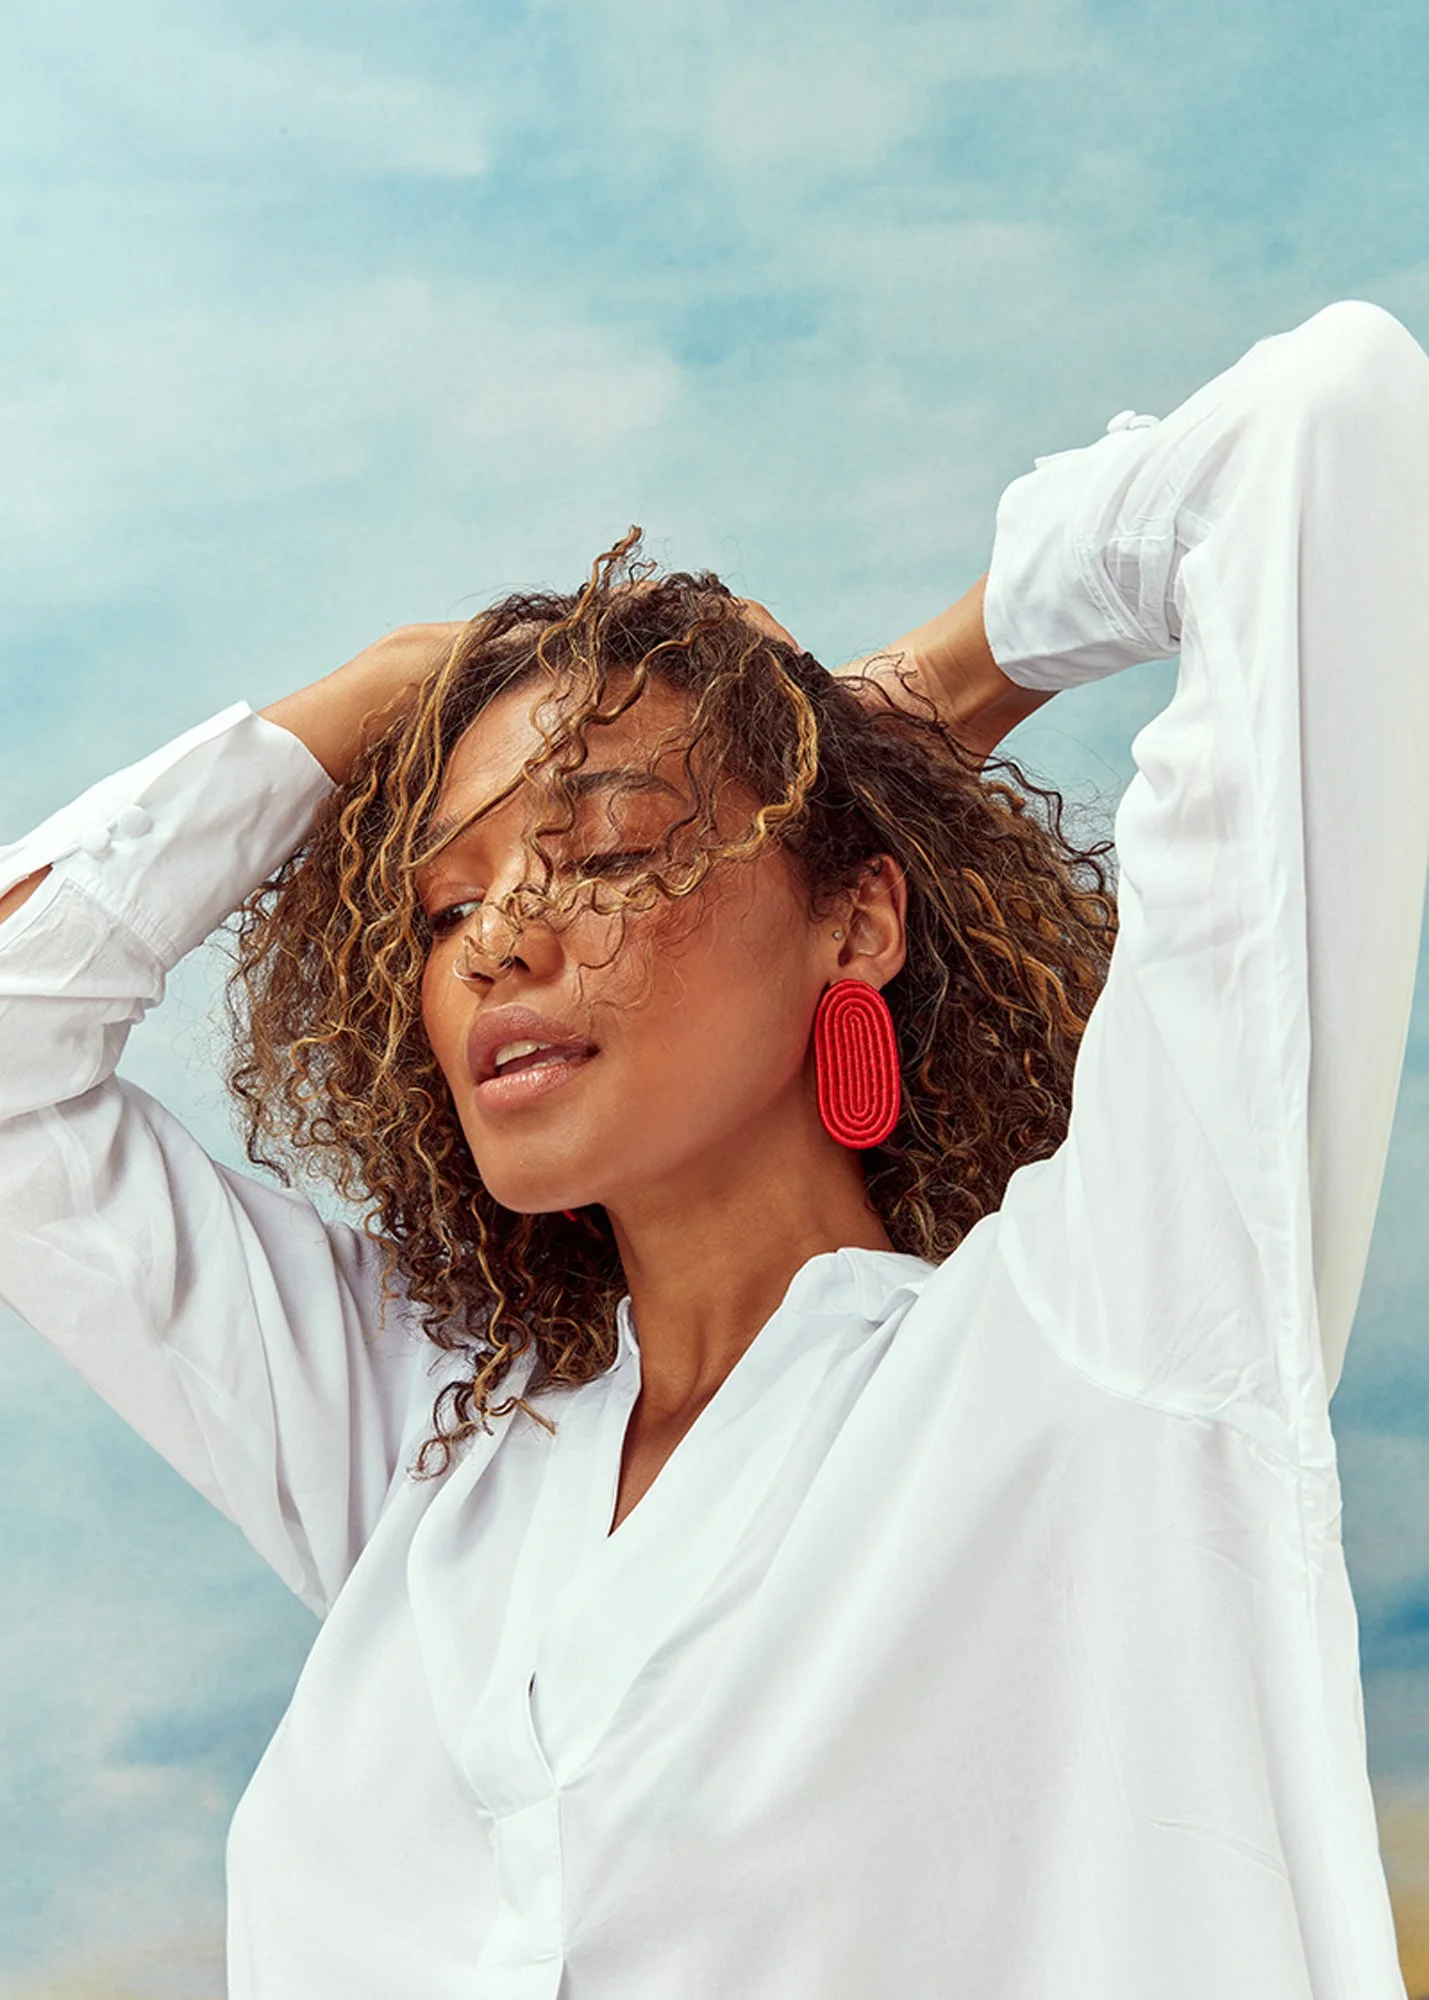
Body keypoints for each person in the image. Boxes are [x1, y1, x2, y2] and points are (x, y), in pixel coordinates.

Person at [1, 298, 1426, 1999]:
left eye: (600, 849)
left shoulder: (1104, 1344)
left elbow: (1328, 425)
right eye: (445, 902)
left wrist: (870, 733)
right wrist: (399, 685)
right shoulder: (430, 1457)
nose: (501, 941)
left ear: (857, 922)